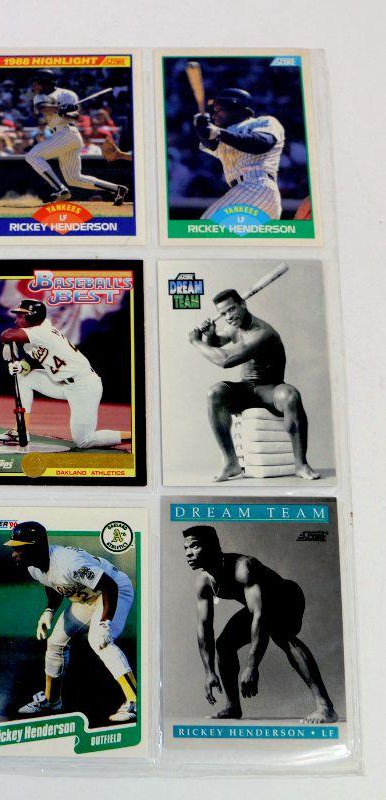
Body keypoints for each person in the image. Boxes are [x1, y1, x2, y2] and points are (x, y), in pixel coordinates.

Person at [182, 525, 338, 724]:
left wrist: (252, 666)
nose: (188, 553)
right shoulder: (203, 583)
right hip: (259, 608)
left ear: (213, 545)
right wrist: (209, 672)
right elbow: (204, 628)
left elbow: (260, 617)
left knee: (281, 635)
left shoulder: (243, 567)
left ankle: (325, 707)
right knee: (224, 645)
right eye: (185, 548)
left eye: (194, 546)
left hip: (287, 597)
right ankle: (232, 707)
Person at [5, 521, 137, 723]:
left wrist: (105, 622)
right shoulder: (34, 568)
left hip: (114, 590)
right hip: (87, 598)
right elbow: (53, 582)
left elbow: (109, 586)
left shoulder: (69, 562)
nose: (14, 554)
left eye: (18, 548)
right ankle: (52, 700)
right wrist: (49, 610)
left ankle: (135, 700)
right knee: (55, 642)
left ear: (35, 547)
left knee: (99, 641)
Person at [188, 288, 319, 482]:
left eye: (231, 309)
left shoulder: (262, 332)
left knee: (290, 395)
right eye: (223, 313)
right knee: (214, 393)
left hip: (270, 390)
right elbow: (218, 343)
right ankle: (231, 463)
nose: (228, 317)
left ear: (243, 304)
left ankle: (301, 464)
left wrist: (196, 342)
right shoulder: (235, 326)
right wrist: (211, 336)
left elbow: (225, 360)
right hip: (247, 390)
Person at [0, 299, 131, 450]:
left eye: (21, 316)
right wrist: (21, 366)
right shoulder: (38, 331)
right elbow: (36, 358)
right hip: (61, 384)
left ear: (32, 316)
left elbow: (6, 335)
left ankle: (134, 436)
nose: (16, 320)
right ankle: (20, 430)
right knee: (23, 377)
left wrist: (8, 343)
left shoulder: (41, 332)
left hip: (83, 387)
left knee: (84, 441)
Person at [23, 69, 127, 205]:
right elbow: (43, 108)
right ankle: (117, 189)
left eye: (36, 82)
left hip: (67, 133)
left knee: (32, 156)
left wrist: (67, 111)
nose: (34, 85)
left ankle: (60, 189)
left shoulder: (67, 94)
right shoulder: (39, 97)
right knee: (74, 179)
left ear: (44, 81)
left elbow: (75, 117)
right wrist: (59, 108)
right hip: (61, 136)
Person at [193, 88, 284, 220]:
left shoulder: (263, 121)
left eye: (218, 109)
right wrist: (201, 127)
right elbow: (210, 144)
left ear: (234, 106)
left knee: (207, 227)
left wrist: (218, 132)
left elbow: (261, 143)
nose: (214, 116)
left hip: (257, 184)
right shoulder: (225, 134)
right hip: (249, 192)